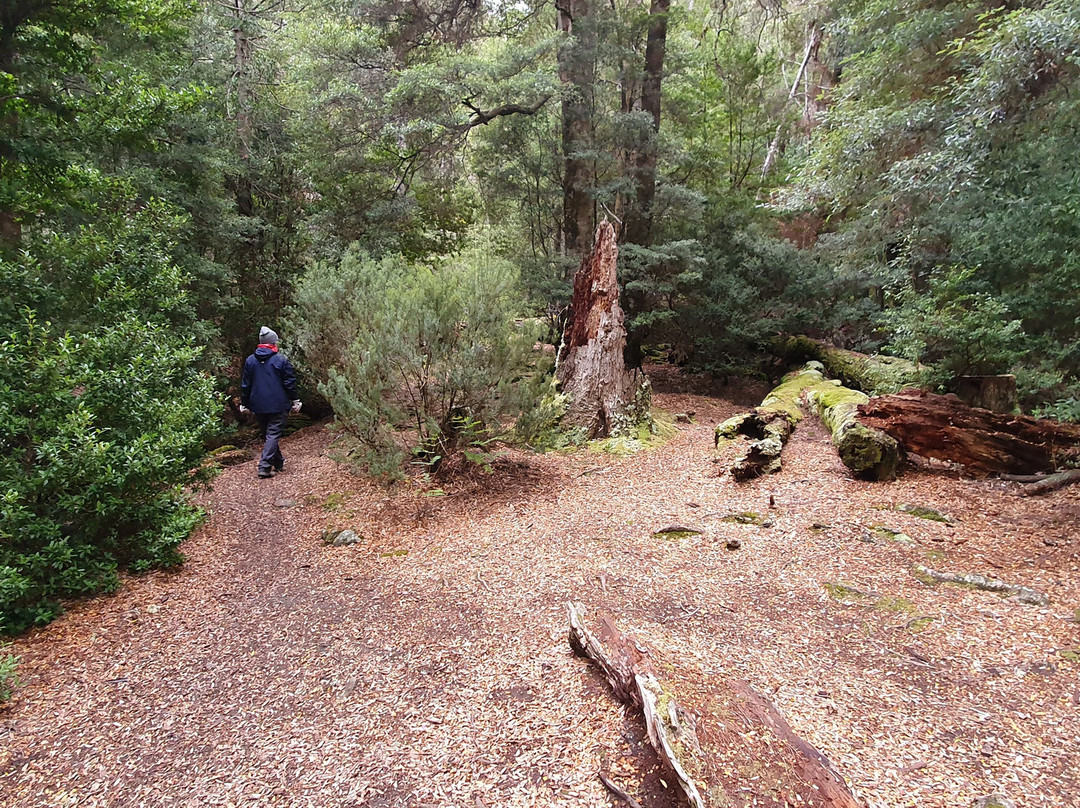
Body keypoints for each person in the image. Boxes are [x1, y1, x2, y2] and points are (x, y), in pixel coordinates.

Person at [239, 327, 302, 478]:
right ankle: (264, 467)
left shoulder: (250, 360)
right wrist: (295, 399)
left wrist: (244, 403)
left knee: (269, 435)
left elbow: (245, 384)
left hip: (258, 405)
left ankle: (278, 462)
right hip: (278, 404)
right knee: (272, 434)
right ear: (273, 343)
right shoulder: (281, 359)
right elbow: (289, 383)